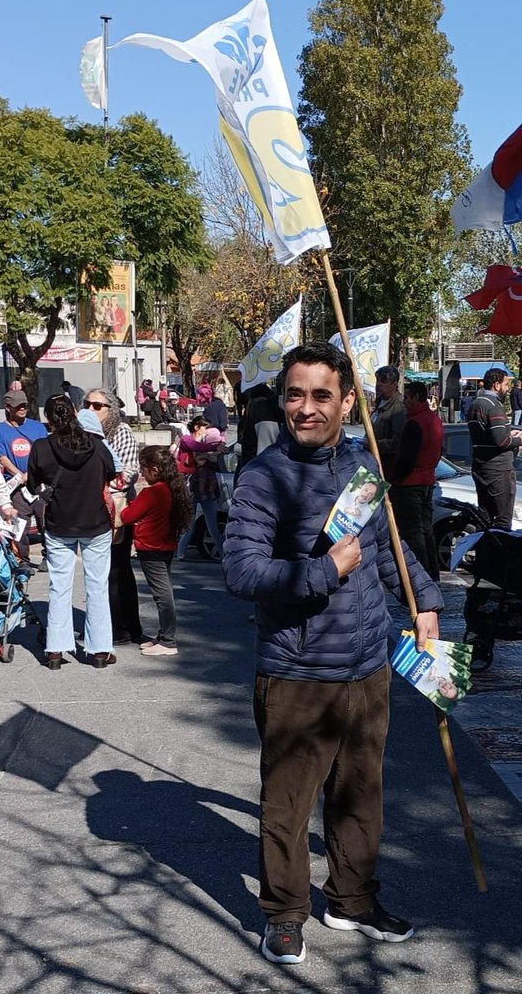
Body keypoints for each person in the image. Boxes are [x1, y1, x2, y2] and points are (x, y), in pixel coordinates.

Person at [223, 341, 442, 964]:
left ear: (348, 401)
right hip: (298, 674)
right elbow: (240, 572)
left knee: (361, 795)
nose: (306, 407)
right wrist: (321, 571)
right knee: (288, 807)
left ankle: (353, 899)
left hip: (369, 666)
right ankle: (285, 914)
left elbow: (388, 547)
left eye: (322, 394)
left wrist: (424, 602)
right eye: (296, 394)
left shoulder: (362, 467)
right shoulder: (262, 476)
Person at [27, 395, 116, 670]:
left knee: (60, 586)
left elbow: (32, 486)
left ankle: (55, 650)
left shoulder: (41, 447)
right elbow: (111, 474)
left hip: (59, 523)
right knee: (97, 587)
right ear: (76, 413)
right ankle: (100, 650)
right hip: (95, 522)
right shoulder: (98, 446)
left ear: (49, 419)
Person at [83, 389, 142, 644]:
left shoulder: (121, 432)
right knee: (98, 570)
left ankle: (124, 627)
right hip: (91, 508)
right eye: (87, 404)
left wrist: (99, 484)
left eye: (98, 405)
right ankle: (103, 625)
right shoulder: (83, 434)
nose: (91, 409)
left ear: (111, 409)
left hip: (116, 509)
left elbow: (129, 472)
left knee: (117, 568)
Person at [120, 446, 191, 656]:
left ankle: (168, 641)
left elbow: (127, 517)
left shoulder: (152, 492)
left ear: (155, 469)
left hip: (151, 547)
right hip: (165, 545)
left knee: (162, 595)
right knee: (165, 590)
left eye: (144, 469)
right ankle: (163, 635)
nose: (142, 473)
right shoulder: (172, 488)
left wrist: (126, 506)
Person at [391, 380, 444, 581]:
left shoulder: (416, 422)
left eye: (407, 397)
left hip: (410, 482)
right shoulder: (434, 420)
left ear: (415, 398)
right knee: (426, 530)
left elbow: (407, 456)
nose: (404, 401)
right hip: (427, 480)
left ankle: (420, 575)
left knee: (414, 533)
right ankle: (432, 573)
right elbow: (439, 451)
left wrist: (397, 476)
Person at [0, 389, 48, 565]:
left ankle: (48, 556)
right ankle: (23, 560)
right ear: (8, 407)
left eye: (24, 405)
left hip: (38, 483)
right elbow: (2, 457)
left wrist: (32, 474)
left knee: (44, 520)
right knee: (20, 525)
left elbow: (44, 452)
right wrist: (20, 475)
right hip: (17, 486)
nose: (22, 409)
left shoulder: (38, 427)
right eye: (18, 406)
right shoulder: (0, 430)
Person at [467, 368, 522, 529]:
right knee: (502, 521)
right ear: (497, 385)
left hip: (481, 467)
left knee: (485, 520)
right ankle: (498, 553)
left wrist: (509, 433)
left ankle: (485, 553)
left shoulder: (476, 404)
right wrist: (519, 439)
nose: (507, 388)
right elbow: (501, 441)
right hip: (498, 471)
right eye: (506, 384)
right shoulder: (493, 406)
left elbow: (489, 436)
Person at [176, 426, 225, 560]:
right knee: (194, 523)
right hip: (196, 487)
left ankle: (222, 553)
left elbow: (210, 461)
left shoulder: (202, 448)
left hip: (205, 489)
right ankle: (180, 552)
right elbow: (199, 457)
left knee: (209, 525)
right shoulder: (192, 444)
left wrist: (211, 454)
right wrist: (211, 452)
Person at [366, 365, 407, 481]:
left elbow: (398, 442)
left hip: (386, 470)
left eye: (384, 381)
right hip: (373, 465)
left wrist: (373, 444)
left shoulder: (399, 408)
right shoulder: (380, 402)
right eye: (377, 380)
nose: (378, 384)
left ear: (394, 384)